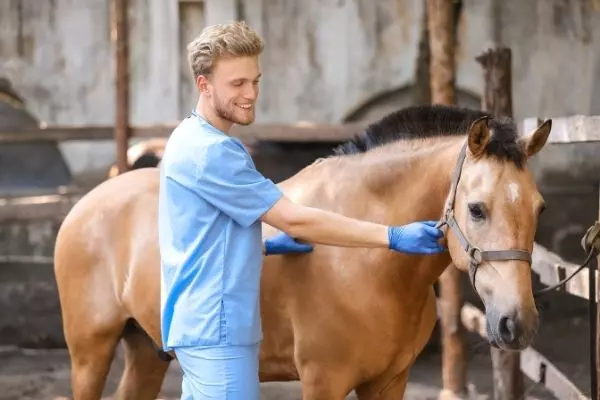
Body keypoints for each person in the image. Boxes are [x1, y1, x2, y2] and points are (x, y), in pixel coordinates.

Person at [158, 21, 446, 400]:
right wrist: (390, 235)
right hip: (219, 330)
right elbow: (293, 218)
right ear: (204, 84)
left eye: (255, 81)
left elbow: (203, 230)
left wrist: (262, 246)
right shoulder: (215, 152)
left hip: (199, 326)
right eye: (237, 84)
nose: (250, 94)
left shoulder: (187, 136)